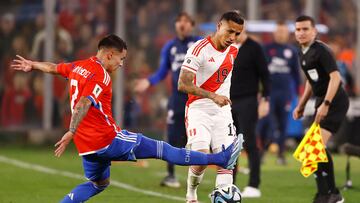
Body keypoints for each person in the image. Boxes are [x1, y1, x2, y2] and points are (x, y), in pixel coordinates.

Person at [11, 34, 242, 203]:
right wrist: (71, 130)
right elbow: (83, 103)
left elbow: (54, 68)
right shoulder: (100, 75)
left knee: (98, 184)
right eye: (120, 59)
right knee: (160, 148)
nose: (121, 64)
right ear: (109, 54)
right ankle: (221, 158)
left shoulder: (79, 66)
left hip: (87, 147)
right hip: (108, 140)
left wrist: (33, 65)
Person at [178, 11, 244, 203]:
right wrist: (213, 95)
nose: (232, 38)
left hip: (223, 113)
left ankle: (223, 195)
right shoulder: (198, 49)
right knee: (200, 159)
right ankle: (191, 193)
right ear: (218, 26)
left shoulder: (234, 49)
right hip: (199, 109)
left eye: (237, 34)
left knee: (227, 161)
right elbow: (182, 84)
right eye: (229, 31)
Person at [134, 12, 202, 188]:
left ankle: (197, 176)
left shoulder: (200, 44)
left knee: (198, 139)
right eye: (179, 21)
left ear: (192, 25)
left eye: (186, 22)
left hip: (197, 98)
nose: (182, 24)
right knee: (172, 137)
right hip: (177, 99)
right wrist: (148, 81)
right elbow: (162, 71)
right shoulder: (169, 47)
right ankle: (171, 175)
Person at [293, 15, 349, 203]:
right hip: (321, 102)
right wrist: (301, 105)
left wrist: (325, 104)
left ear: (314, 31)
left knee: (316, 147)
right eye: (298, 29)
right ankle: (323, 193)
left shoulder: (321, 50)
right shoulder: (302, 52)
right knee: (312, 149)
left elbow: (336, 78)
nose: (301, 33)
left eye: (305, 29)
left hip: (335, 102)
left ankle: (334, 194)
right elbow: (311, 81)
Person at [230, 23, 270, 198]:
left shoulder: (254, 48)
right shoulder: (227, 48)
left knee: (249, 143)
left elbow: (265, 75)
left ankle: (254, 184)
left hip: (248, 101)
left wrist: (265, 100)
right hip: (227, 102)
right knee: (230, 144)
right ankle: (229, 184)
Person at [261, 21, 300, 165]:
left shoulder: (292, 51)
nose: (281, 34)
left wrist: (296, 94)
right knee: (268, 124)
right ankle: (262, 153)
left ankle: (281, 155)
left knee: (283, 125)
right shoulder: (266, 49)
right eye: (279, 31)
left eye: (283, 32)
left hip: (285, 94)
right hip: (269, 94)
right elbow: (261, 72)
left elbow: (296, 75)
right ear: (274, 33)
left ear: (288, 34)